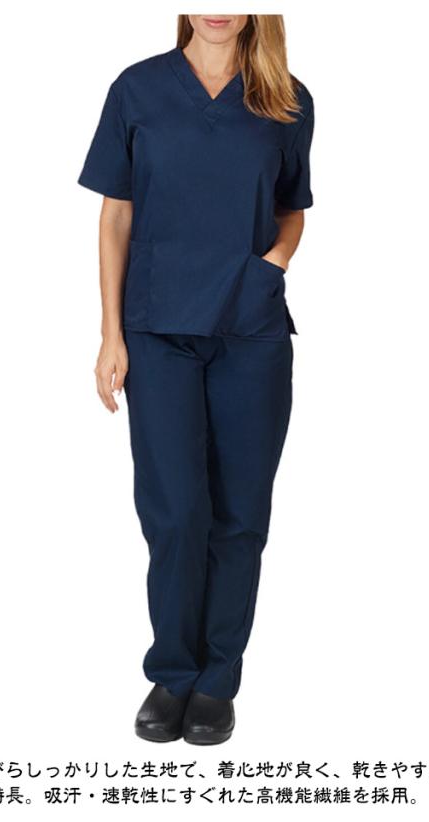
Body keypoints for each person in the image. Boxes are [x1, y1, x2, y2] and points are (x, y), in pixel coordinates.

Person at [77, 14, 314, 745]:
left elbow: (293, 210)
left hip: (251, 331)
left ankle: (217, 681)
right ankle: (173, 673)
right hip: (157, 329)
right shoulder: (138, 89)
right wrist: (111, 333)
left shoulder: (286, 98)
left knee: (239, 516)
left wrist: (270, 266)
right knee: (176, 512)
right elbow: (116, 217)